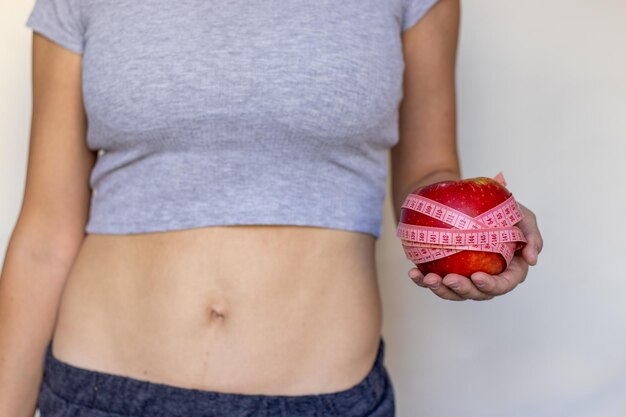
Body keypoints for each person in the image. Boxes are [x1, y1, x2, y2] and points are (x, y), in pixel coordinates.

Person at [0, 0, 543, 415]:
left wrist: (482, 229)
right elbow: (47, 231)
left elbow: (429, 177)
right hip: (99, 390)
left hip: (321, 395)